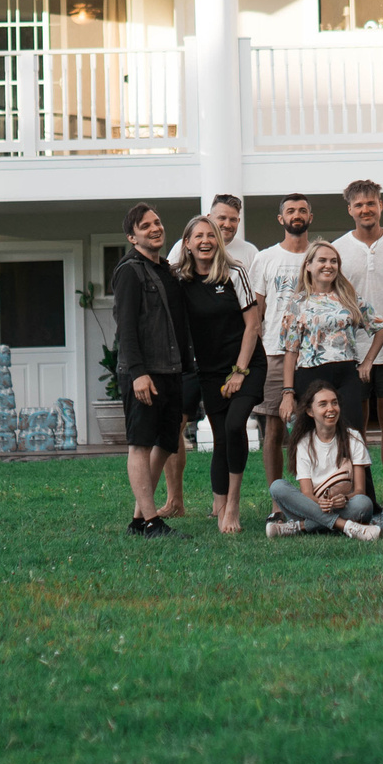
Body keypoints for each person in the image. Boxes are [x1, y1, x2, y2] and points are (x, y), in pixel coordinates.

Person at [168, 213, 263, 535]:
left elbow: (253, 324)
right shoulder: (179, 280)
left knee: (236, 426)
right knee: (221, 438)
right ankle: (219, 506)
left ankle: (232, 505)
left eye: (211, 235)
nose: (206, 241)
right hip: (208, 371)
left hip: (246, 364)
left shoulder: (234, 272)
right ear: (187, 244)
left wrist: (239, 372)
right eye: (198, 236)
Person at [109, 202, 193, 537]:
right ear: (132, 236)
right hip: (143, 372)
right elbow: (125, 328)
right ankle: (151, 520)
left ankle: (138, 519)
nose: (155, 229)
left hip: (170, 370)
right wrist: (138, 373)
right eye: (145, 226)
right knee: (140, 444)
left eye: (157, 223)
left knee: (166, 441)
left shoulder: (166, 271)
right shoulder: (130, 271)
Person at [336, 179, 383, 499]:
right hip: (352, 351)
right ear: (350, 210)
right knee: (355, 426)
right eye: (359, 204)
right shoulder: (339, 250)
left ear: (381, 206)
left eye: (371, 203)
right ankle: (361, 493)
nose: (365, 209)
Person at [277, 240, 383, 441]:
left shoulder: (348, 296)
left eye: (334, 261)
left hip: (346, 374)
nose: (329, 265)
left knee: (352, 435)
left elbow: (381, 327)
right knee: (314, 438)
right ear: (308, 265)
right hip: (310, 376)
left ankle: (357, 473)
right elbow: (291, 351)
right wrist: (287, 393)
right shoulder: (297, 302)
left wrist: (368, 362)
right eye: (322, 260)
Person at [266, 380, 383, 541]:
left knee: (363, 503)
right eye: (323, 404)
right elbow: (307, 493)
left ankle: (298, 527)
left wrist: (344, 499)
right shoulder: (304, 443)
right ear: (310, 411)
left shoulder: (353, 438)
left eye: (334, 403)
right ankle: (348, 526)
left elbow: (359, 491)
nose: (331, 409)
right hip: (311, 505)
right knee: (277, 486)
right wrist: (320, 503)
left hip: (343, 507)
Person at [252, 194, 317, 483]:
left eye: (302, 210)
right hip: (274, 353)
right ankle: (277, 498)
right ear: (281, 219)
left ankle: (315, 491)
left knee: (316, 426)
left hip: (315, 353)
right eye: (290, 211)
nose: (297, 214)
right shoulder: (265, 258)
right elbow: (257, 312)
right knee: (274, 428)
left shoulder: (319, 255)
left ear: (310, 217)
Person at [167, 194, 257, 276]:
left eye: (233, 220)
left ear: (238, 221)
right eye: (222, 218)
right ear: (209, 218)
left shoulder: (250, 252)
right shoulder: (183, 246)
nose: (227, 225)